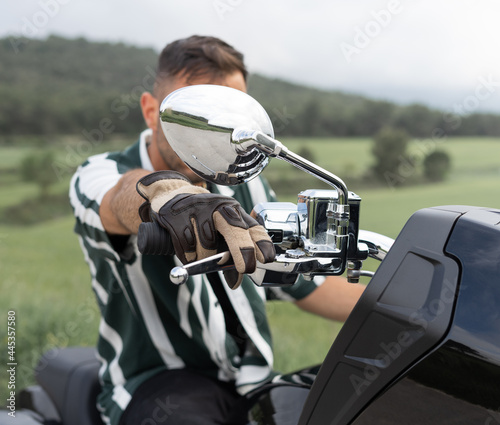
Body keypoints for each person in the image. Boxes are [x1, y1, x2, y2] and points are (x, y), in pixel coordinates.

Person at [69, 35, 365, 425]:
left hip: (252, 380)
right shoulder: (103, 171)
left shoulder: (243, 182)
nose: (216, 134)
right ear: (150, 110)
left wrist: (414, 312)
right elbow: (119, 200)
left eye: (230, 116)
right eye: (194, 114)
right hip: (158, 384)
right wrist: (169, 194)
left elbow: (300, 280)